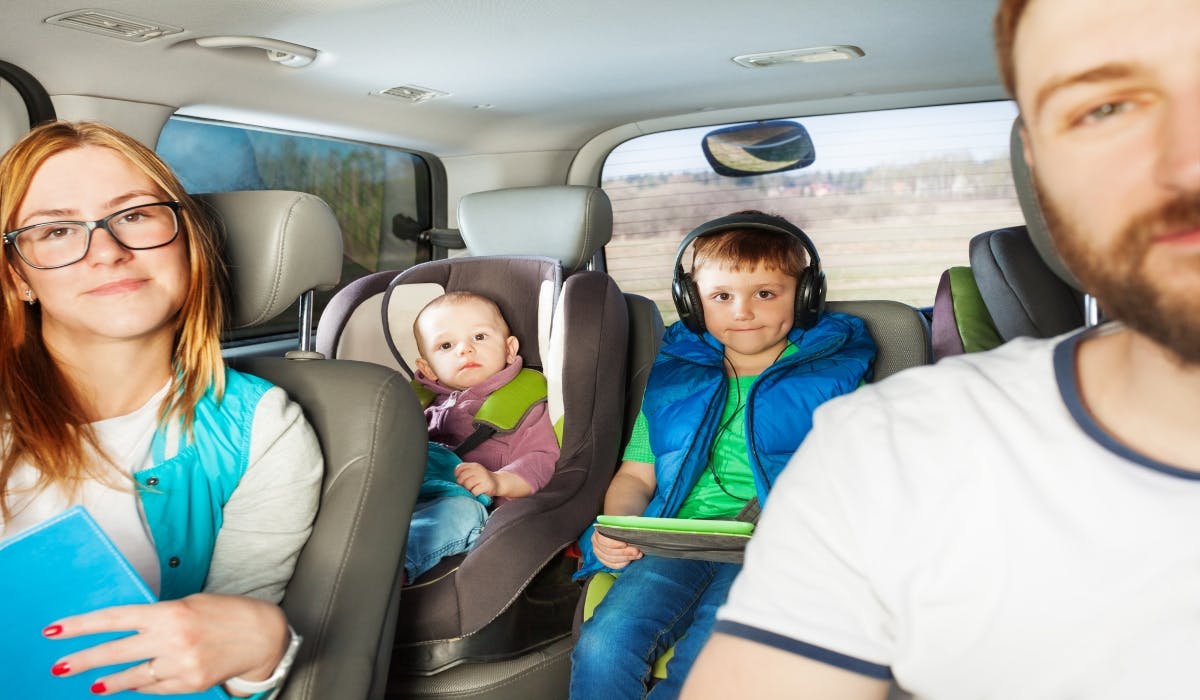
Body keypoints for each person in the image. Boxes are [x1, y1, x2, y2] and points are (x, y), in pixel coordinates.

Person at [682, 0, 1200, 698]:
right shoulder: (893, 455)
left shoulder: (842, 379)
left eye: (768, 294)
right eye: (1104, 108)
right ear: (1039, 169)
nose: (1187, 163)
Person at [0, 121, 323, 696]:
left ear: (186, 242)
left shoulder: (262, 430)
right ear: (18, 276)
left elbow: (225, 668)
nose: (107, 251)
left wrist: (259, 647)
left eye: (135, 215)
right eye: (55, 230)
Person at [569, 211, 876, 700]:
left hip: (773, 551)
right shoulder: (675, 382)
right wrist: (618, 527)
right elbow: (636, 475)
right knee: (604, 645)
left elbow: (860, 479)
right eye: (721, 297)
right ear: (693, 305)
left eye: (766, 293)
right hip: (678, 539)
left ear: (807, 296)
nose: (743, 311)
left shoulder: (833, 378)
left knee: (710, 662)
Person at [405, 291, 559, 581]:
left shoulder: (525, 403)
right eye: (446, 345)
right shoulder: (421, 404)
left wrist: (498, 480)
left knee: (460, 513)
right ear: (427, 367)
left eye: (479, 337)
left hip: (481, 512)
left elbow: (543, 459)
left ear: (510, 348)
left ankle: (389, 569)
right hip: (412, 498)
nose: (464, 350)